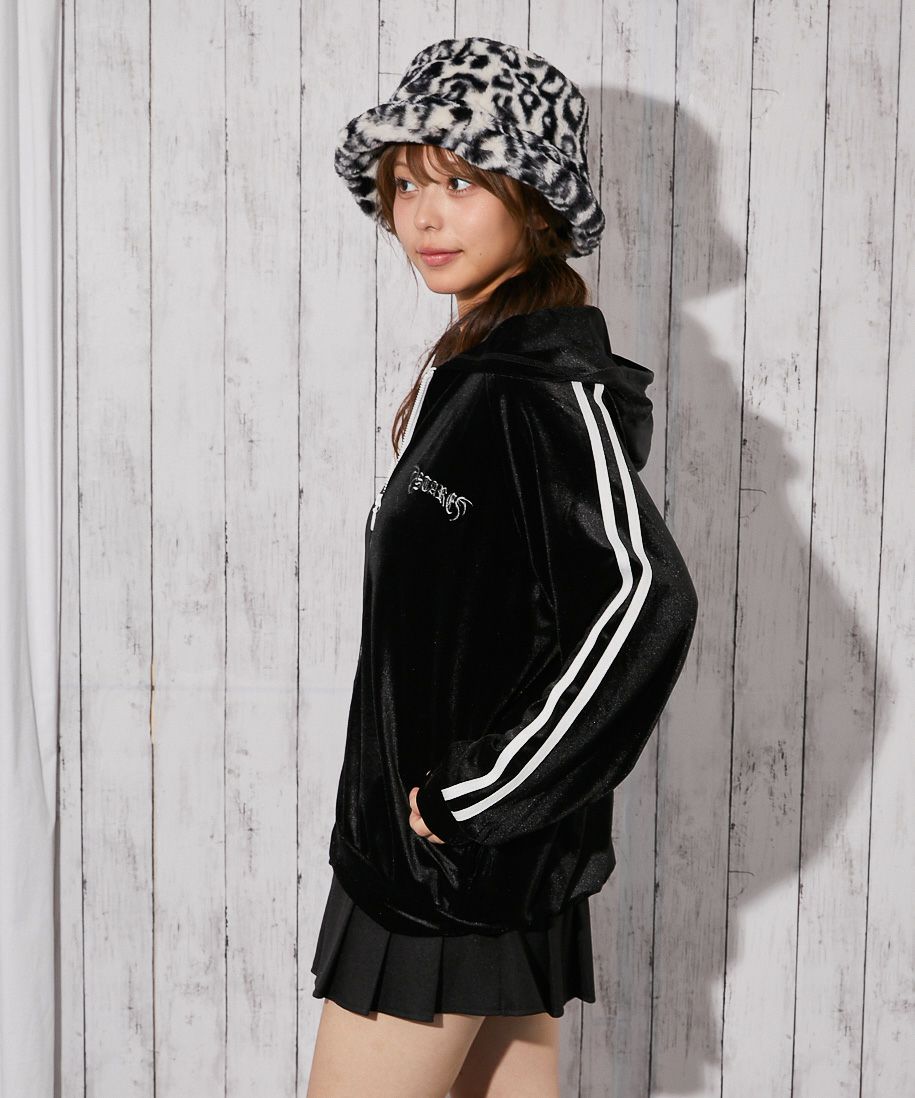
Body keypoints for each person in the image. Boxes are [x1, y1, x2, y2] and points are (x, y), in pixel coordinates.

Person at [306, 36, 699, 1098]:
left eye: (461, 182)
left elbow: (644, 600)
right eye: (405, 185)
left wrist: (477, 798)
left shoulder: (537, 387)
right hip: (462, 866)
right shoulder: (479, 372)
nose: (423, 217)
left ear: (533, 202)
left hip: (444, 877)